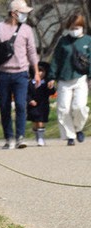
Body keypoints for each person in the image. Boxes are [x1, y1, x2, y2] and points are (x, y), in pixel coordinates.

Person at [0, 0, 40, 149]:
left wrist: (36, 72)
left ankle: (20, 137)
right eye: (23, 12)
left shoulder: (27, 30)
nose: (25, 15)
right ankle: (8, 137)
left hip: (21, 73)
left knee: (21, 105)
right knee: (4, 107)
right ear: (14, 13)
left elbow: (31, 51)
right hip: (3, 74)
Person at [47, 13, 91, 146]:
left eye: (77, 27)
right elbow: (55, 60)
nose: (74, 30)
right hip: (64, 80)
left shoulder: (88, 41)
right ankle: (70, 135)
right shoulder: (63, 41)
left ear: (82, 27)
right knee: (63, 109)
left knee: (79, 107)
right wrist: (51, 76)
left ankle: (78, 128)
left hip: (80, 79)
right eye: (71, 28)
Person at [27, 62, 55, 146]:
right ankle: (37, 135)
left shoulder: (46, 83)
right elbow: (26, 93)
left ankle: (41, 138)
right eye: (38, 71)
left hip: (43, 105)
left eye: (41, 71)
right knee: (35, 123)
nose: (40, 73)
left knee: (40, 121)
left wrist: (51, 87)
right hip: (32, 106)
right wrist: (30, 100)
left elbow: (51, 92)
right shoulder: (30, 83)